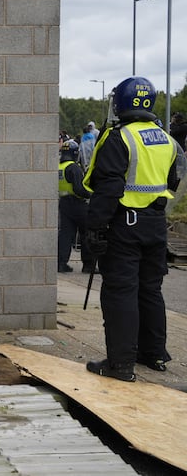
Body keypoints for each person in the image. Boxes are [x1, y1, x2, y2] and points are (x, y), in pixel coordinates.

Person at [82, 76, 182, 382]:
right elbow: (175, 180)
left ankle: (121, 364)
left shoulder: (119, 137)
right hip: (155, 224)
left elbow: (109, 187)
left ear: (121, 102)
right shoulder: (166, 138)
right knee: (150, 289)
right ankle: (153, 354)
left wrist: (95, 227)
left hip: (125, 224)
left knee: (120, 292)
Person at [57, 139, 93, 273]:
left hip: (64, 204)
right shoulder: (74, 168)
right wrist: (91, 194)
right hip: (78, 204)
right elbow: (79, 189)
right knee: (86, 233)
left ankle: (61, 263)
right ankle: (88, 265)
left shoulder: (60, 167)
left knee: (66, 234)